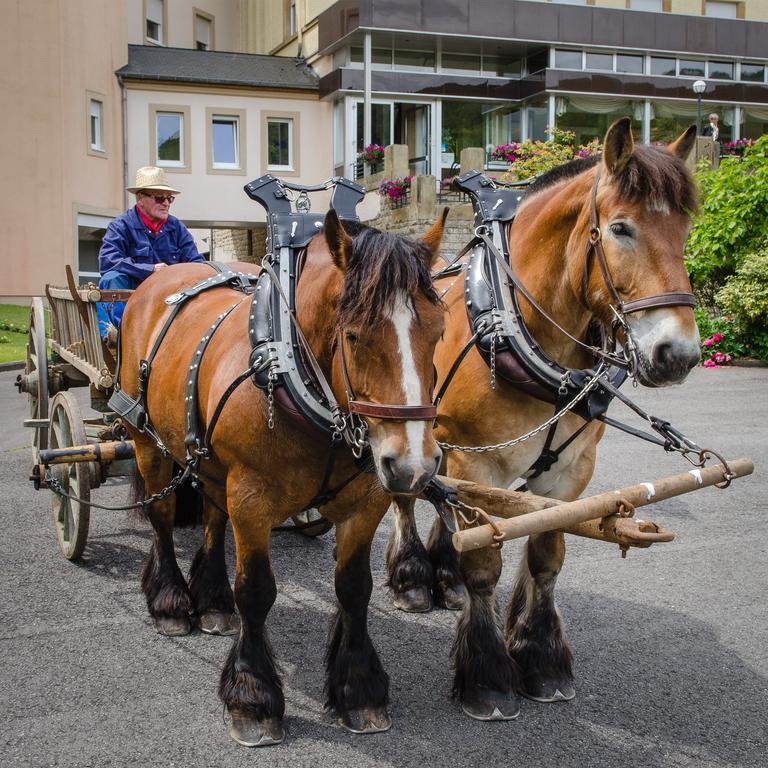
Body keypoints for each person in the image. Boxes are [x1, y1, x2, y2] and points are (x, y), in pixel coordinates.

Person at [97, 166, 204, 339]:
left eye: (170, 199)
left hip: (170, 296)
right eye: (159, 198)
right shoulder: (121, 226)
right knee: (112, 278)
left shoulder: (177, 227)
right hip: (135, 299)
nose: (166, 203)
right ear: (140, 199)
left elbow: (196, 261)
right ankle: (126, 335)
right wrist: (149, 269)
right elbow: (107, 260)